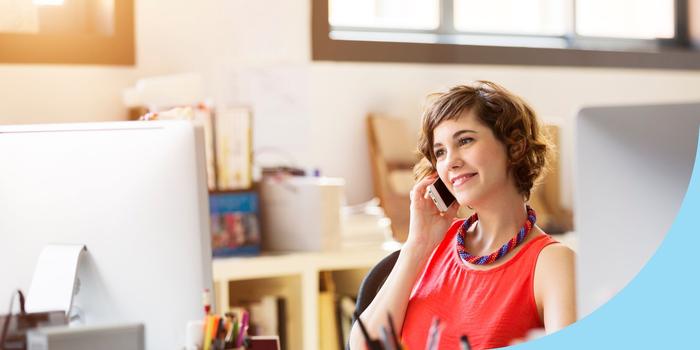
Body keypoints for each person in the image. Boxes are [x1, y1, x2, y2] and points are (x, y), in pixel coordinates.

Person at [349, 81, 576, 349]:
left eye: (465, 141)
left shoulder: (553, 263)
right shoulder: (430, 248)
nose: (451, 161)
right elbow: (364, 346)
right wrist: (417, 246)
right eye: (440, 152)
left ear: (515, 147)